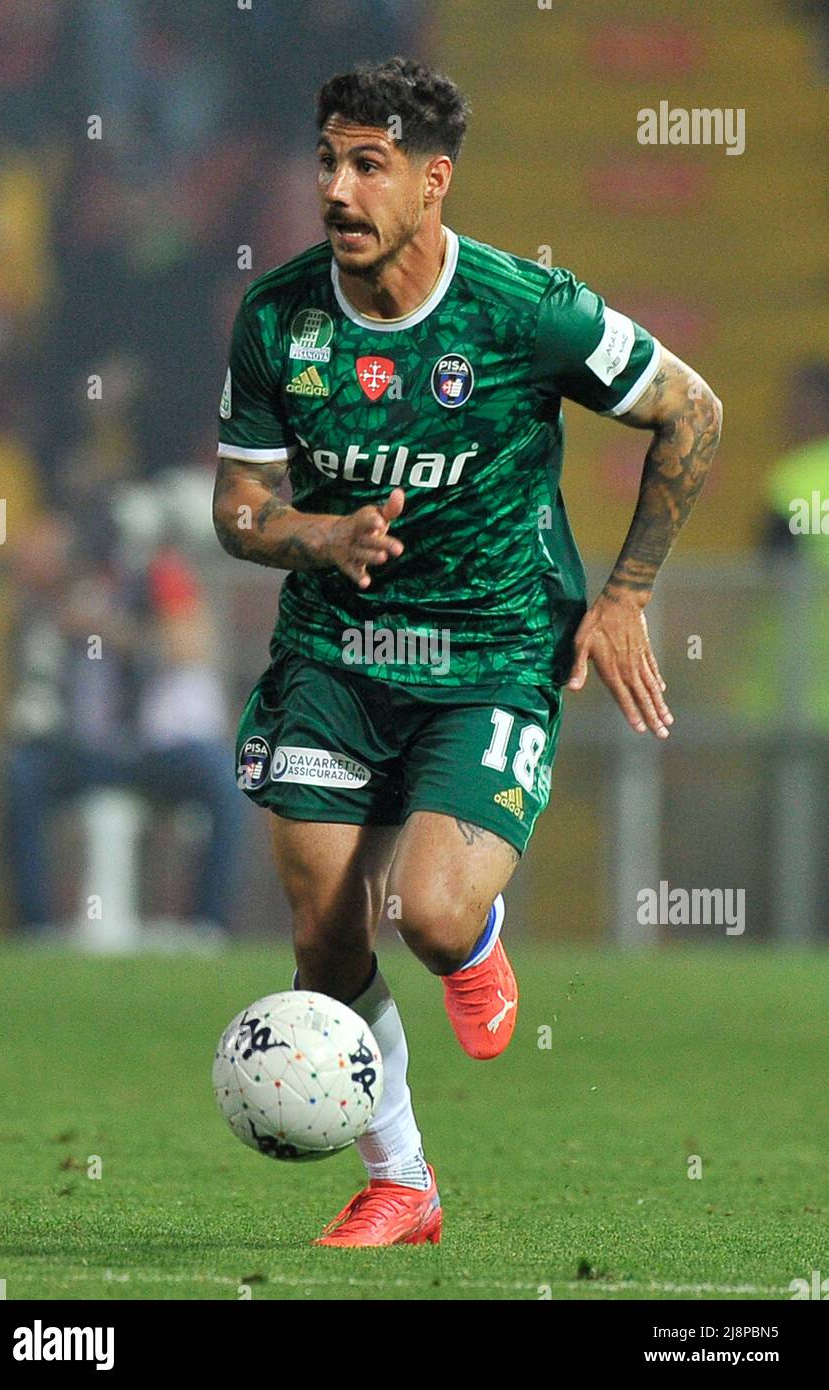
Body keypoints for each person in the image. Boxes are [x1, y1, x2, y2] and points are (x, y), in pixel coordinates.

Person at [212, 57, 722, 1246]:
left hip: (489, 650)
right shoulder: (276, 318)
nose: (336, 189)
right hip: (334, 659)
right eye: (326, 160)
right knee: (325, 933)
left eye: (368, 165)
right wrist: (313, 534)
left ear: (432, 182)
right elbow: (236, 509)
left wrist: (627, 591)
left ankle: (472, 942)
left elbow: (689, 410)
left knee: (429, 918)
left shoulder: (520, 310)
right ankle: (403, 1181)